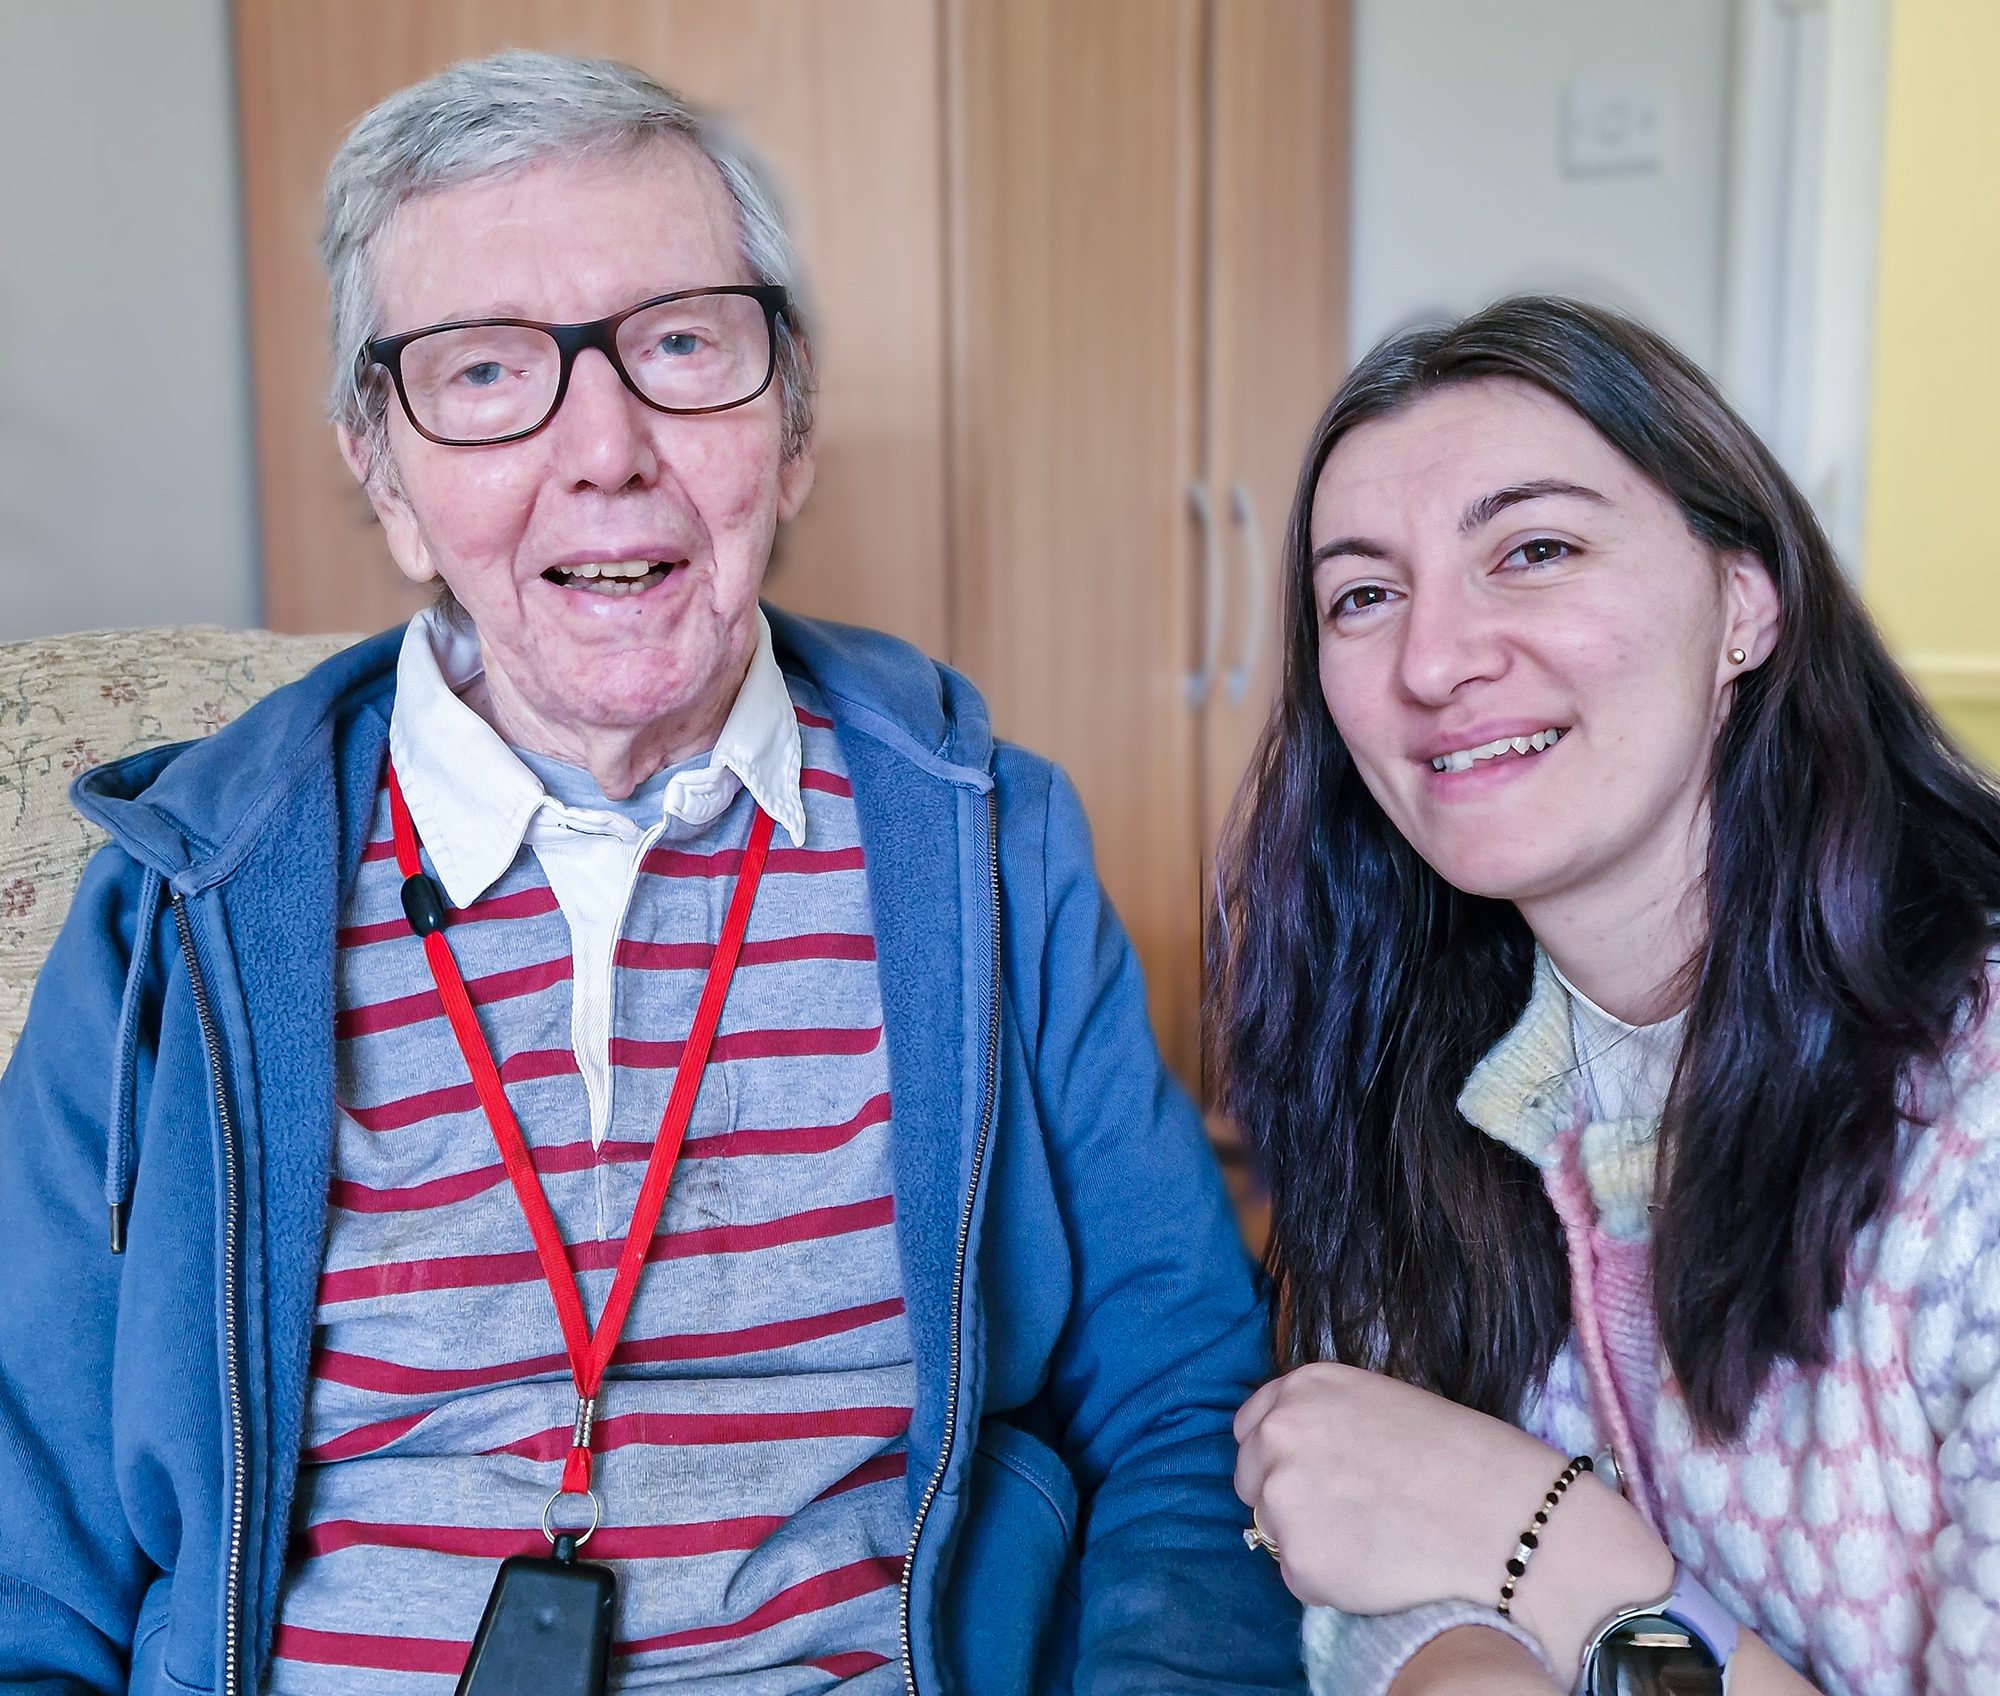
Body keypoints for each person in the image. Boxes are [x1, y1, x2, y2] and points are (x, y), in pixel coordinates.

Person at [0, 51, 1298, 1695]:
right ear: (386, 474)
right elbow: (21, 1565)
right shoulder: (178, 910)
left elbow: (1180, 1400)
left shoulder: (986, 845)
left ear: (793, 427)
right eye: (483, 375)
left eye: (682, 345)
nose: (606, 449)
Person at [1214, 296, 2000, 1696]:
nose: (1433, 661)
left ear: (1744, 602)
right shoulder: (1415, 1048)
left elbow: (1458, 1507)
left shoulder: (1976, 1119)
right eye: (1364, 594)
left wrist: (1542, 1540)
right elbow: (1377, 1526)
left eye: (1535, 551)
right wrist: (1462, 1656)